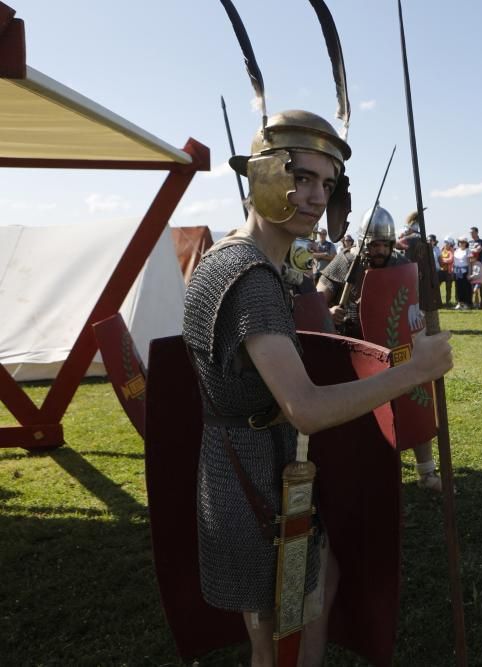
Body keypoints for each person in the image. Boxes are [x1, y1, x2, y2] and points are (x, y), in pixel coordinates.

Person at [183, 110, 453, 666]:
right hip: (251, 474)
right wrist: (414, 371)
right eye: (300, 177)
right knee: (280, 630)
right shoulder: (249, 277)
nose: (313, 196)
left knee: (309, 594)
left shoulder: (251, 262)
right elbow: (303, 407)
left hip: (256, 463)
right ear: (262, 175)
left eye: (325, 184)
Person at [316, 205, 444, 493]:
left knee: (413, 402)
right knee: (360, 413)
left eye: (385, 245)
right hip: (355, 347)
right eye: (374, 245)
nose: (380, 251)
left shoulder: (401, 265)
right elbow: (319, 294)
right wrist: (331, 309)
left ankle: (426, 472)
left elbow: (414, 303)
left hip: (397, 347)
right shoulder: (346, 262)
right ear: (363, 242)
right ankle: (366, 469)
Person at [452, 237, 472, 310]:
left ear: (466, 243)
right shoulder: (456, 251)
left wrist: (469, 273)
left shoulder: (468, 251)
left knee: (465, 288)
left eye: (463, 242)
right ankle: (459, 303)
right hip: (457, 271)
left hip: (464, 271)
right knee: (458, 287)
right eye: (460, 242)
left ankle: (466, 303)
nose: (461, 243)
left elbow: (469, 263)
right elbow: (454, 262)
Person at [438, 238, 454, 305]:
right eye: (445, 242)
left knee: (448, 287)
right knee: (437, 286)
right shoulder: (442, 249)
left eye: (447, 243)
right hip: (441, 271)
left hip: (448, 272)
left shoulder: (451, 251)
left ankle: (448, 302)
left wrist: (442, 260)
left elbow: (450, 260)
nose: (445, 244)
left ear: (450, 244)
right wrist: (443, 260)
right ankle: (438, 301)